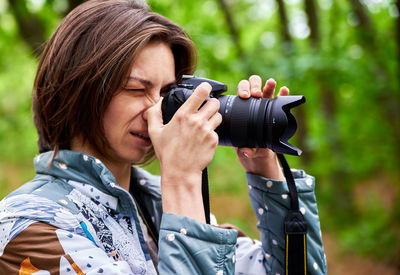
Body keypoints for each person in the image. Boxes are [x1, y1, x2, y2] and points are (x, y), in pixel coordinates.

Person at [0, 0, 327, 274]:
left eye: (168, 93)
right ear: (77, 90)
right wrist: (184, 179)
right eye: (136, 89)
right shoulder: (28, 227)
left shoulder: (156, 201)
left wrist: (265, 172)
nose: (158, 111)